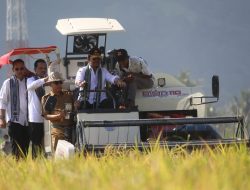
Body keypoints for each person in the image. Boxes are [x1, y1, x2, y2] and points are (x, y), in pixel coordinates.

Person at [0, 59, 30, 159]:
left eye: (22, 68)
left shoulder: (28, 81)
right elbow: (2, 101)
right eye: (17, 69)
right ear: (13, 70)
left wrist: (28, 72)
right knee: (16, 149)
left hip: (27, 120)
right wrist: (2, 118)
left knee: (25, 149)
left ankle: (24, 170)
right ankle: (16, 170)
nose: (19, 71)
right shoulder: (8, 83)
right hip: (14, 120)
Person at [41, 72, 76, 152]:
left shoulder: (69, 95)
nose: (59, 85)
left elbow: (75, 110)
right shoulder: (46, 98)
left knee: (72, 154)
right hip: (58, 130)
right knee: (59, 155)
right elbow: (46, 116)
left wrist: (77, 105)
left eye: (60, 82)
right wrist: (58, 116)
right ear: (50, 84)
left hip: (71, 129)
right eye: (56, 83)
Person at [27, 59, 48, 158]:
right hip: (35, 119)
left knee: (46, 146)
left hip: (47, 118)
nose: (43, 70)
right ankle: (35, 168)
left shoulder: (48, 82)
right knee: (36, 146)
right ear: (35, 69)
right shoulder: (31, 80)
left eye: (45, 68)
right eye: (40, 68)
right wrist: (45, 80)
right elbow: (31, 86)